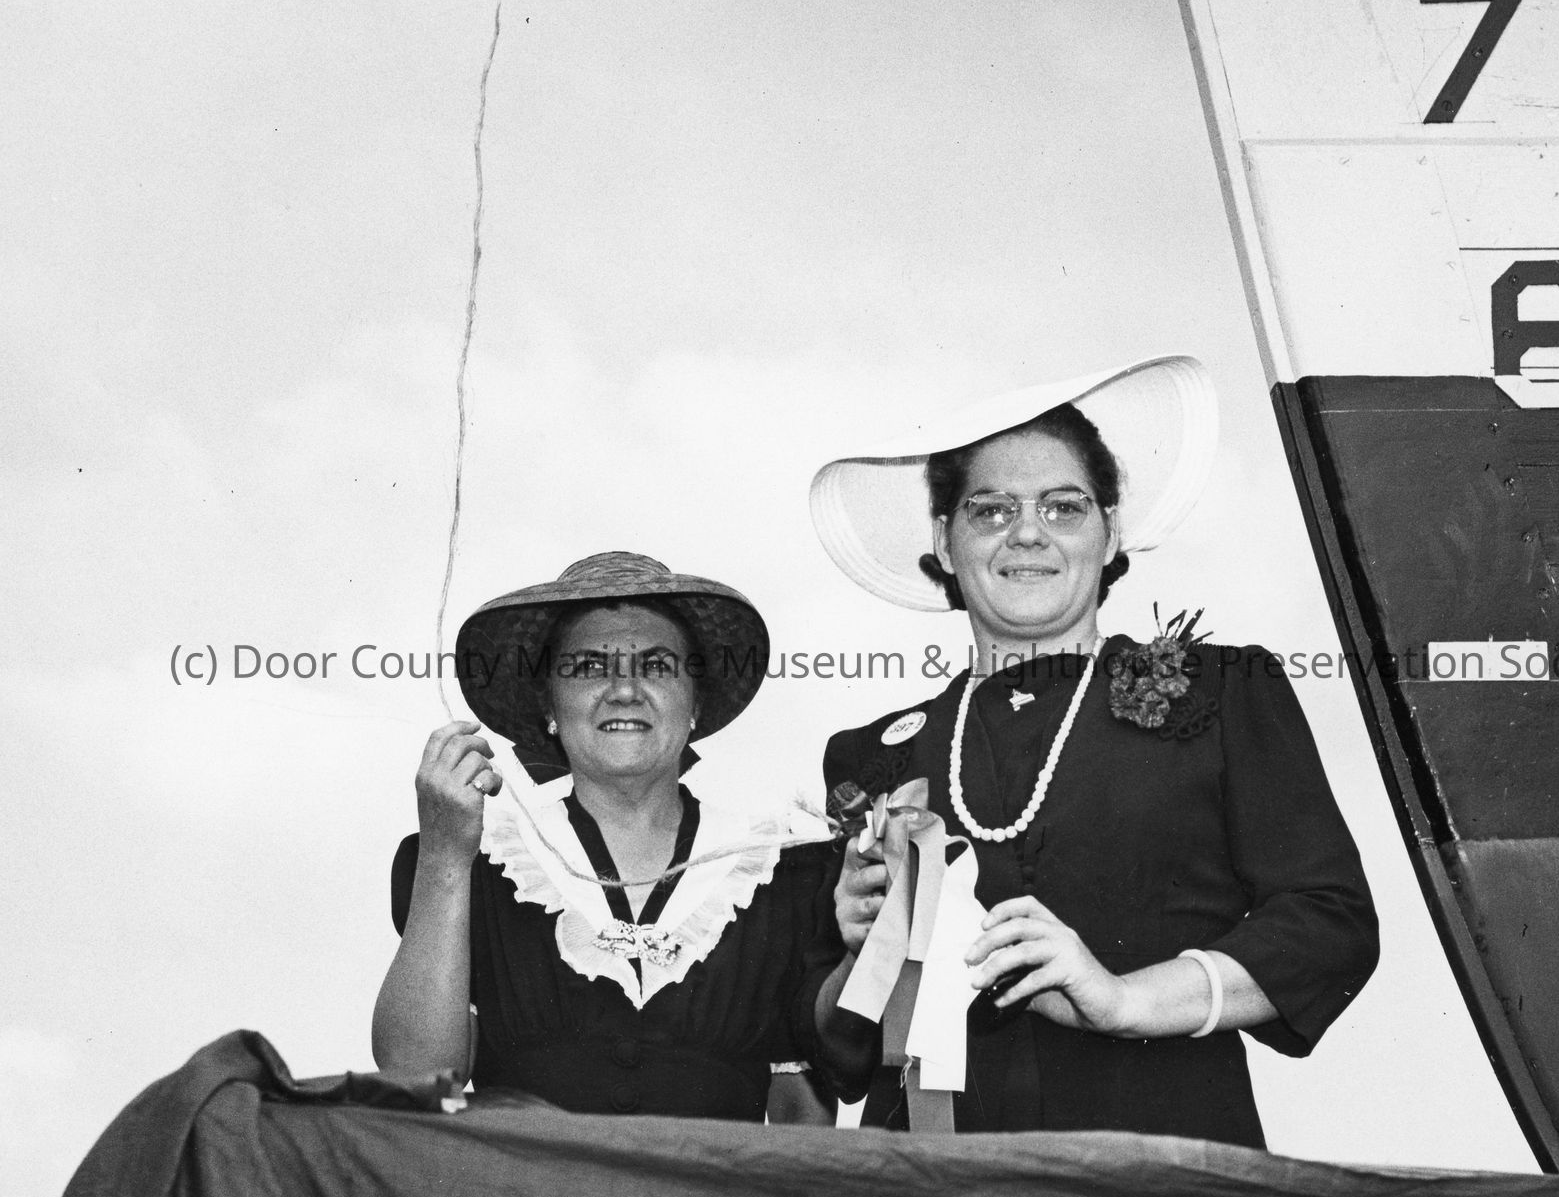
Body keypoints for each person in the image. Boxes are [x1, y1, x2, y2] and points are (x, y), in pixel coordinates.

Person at [805, 355, 1378, 1147]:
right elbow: (833, 1049)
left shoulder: (1220, 691)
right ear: (942, 539)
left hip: (1155, 1158)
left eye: (1063, 507)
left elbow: (1327, 924)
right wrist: (857, 953)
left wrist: (1124, 1000)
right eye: (990, 510)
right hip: (932, 1175)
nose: (1026, 532)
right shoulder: (870, 757)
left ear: (1110, 533)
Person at [373, 551, 842, 1124]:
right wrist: (445, 855)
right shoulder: (479, 860)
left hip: (715, 1188)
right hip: (522, 1185)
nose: (624, 690)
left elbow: (803, 1123)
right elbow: (416, 1082)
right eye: (589, 667)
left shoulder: (782, 869)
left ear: (696, 701)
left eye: (657, 666)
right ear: (548, 703)